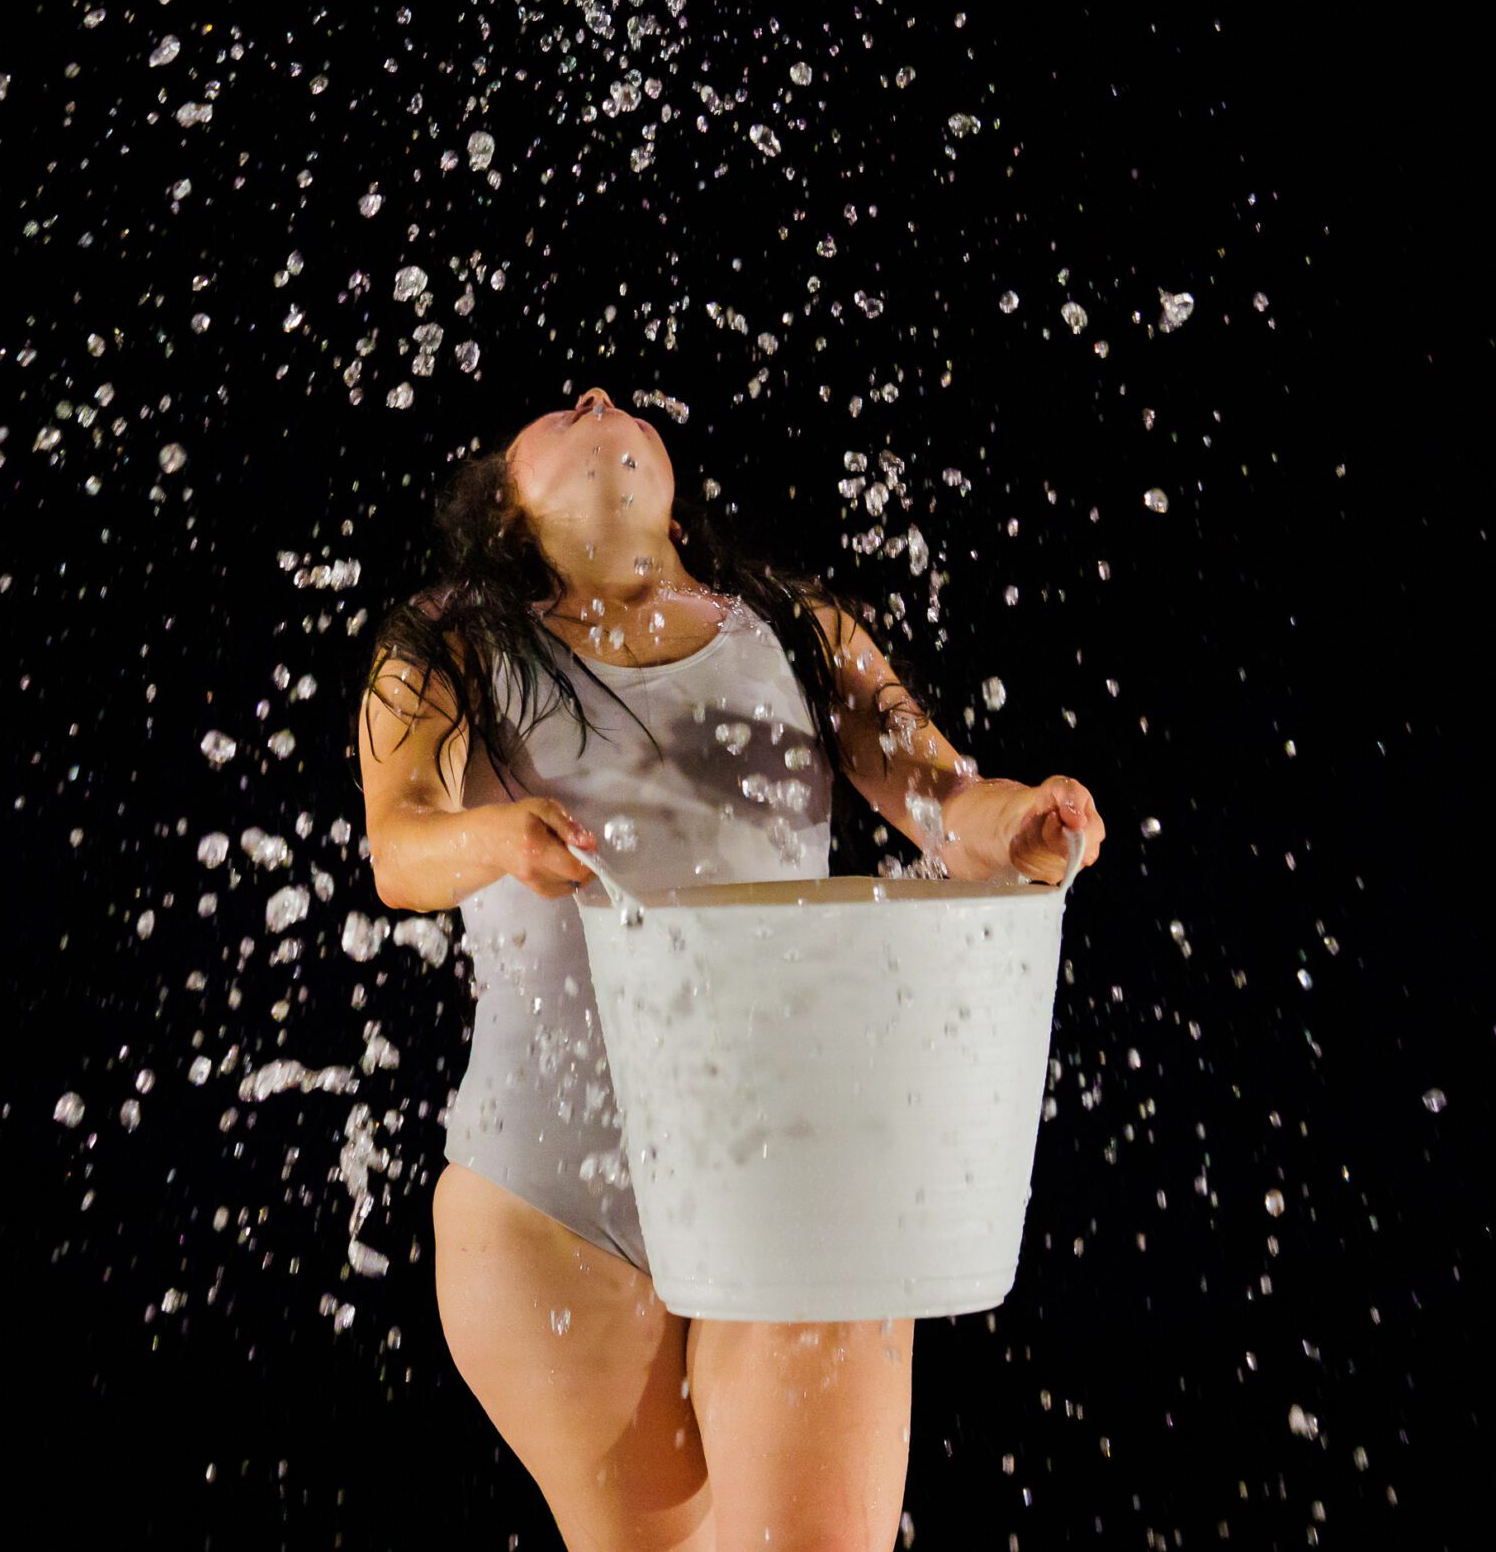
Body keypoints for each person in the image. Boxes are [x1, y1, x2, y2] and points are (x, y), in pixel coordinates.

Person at [357, 387, 1103, 1552]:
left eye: (617, 402)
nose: (597, 397)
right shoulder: (446, 643)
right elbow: (398, 850)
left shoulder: (795, 626)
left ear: (674, 502)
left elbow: (944, 799)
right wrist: (497, 839)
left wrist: (1021, 825)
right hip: (547, 1205)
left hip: (794, 1170)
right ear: (504, 507)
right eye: (558, 412)